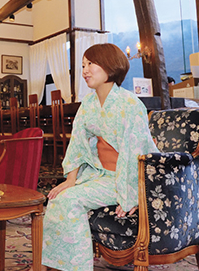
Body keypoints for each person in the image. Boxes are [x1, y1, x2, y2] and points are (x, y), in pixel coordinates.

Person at [41, 43, 159, 271]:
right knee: (57, 198)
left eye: (90, 64)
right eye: (83, 65)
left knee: (69, 200)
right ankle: (56, 265)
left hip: (125, 179)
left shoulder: (130, 104)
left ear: (109, 65)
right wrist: (71, 179)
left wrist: (130, 195)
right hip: (99, 174)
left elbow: (136, 152)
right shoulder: (88, 104)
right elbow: (77, 141)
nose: (84, 70)